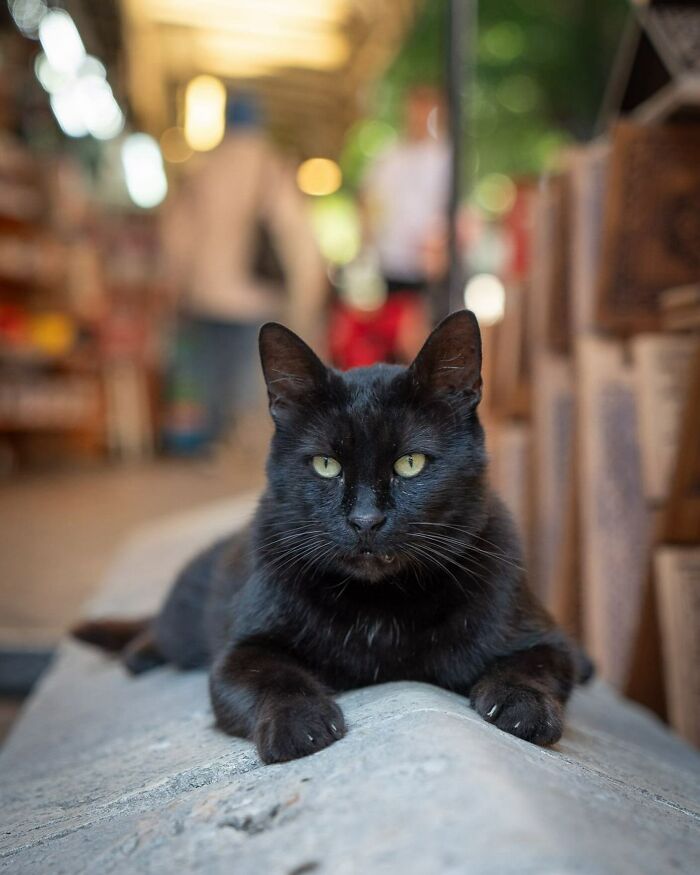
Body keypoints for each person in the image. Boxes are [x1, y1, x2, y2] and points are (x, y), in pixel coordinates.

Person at [160, 94, 327, 453]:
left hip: (204, 293)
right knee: (250, 376)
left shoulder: (204, 167)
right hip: (255, 294)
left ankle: (207, 443)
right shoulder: (271, 168)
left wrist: (178, 278)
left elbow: (177, 235)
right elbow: (295, 236)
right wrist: (306, 293)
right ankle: (239, 444)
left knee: (207, 373)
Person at [330, 86, 450, 369]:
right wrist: (366, 240)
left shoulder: (445, 158)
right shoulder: (389, 157)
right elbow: (367, 201)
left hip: (428, 265)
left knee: (420, 336)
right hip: (392, 262)